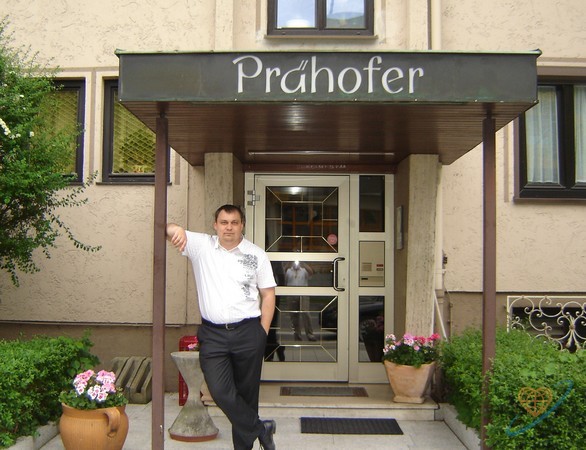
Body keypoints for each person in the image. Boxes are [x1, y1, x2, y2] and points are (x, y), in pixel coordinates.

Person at [167, 204, 277, 450]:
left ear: (242, 225)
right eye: (224, 222)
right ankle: (261, 429)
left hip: (249, 332)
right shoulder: (201, 246)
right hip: (213, 335)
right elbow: (165, 229)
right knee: (218, 391)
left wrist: (262, 332)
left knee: (247, 396)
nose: (229, 227)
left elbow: (268, 294)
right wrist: (176, 230)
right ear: (215, 225)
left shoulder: (256, 254)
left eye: (234, 222)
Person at [285, 261, 317, 341]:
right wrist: (289, 263)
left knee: (305, 313)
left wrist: (303, 263)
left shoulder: (304, 270)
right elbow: (283, 274)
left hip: (303, 295)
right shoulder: (289, 271)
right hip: (291, 295)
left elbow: (311, 272)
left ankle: (310, 334)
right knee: (294, 316)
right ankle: (297, 335)